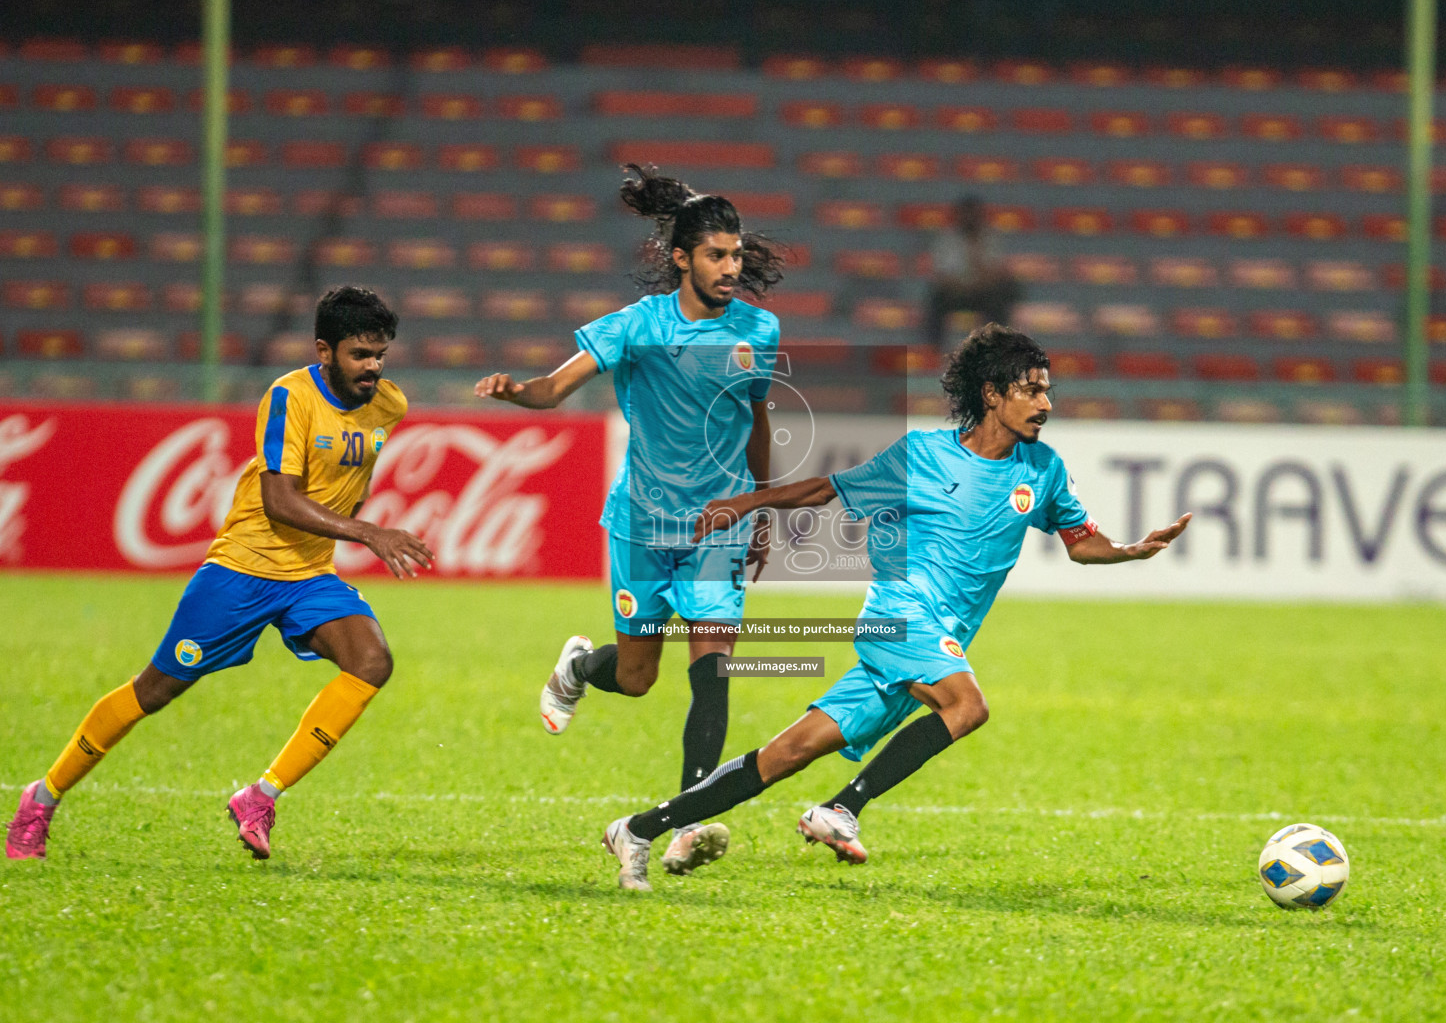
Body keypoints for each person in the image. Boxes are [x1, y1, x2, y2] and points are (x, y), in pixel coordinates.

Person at [598, 323, 1191, 890]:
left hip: (933, 639)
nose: (1045, 403)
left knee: (787, 753)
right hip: (900, 618)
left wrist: (1131, 551)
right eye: (1030, 389)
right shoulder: (923, 457)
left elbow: (1081, 543)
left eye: (1047, 390)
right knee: (967, 706)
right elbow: (829, 488)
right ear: (992, 394)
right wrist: (748, 503)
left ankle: (638, 829)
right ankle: (842, 807)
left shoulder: (1045, 469)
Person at [5, 286, 434, 861]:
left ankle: (260, 796)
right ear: (325, 350)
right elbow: (279, 500)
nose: (374, 366)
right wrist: (369, 533)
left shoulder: (388, 405)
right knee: (155, 690)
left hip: (308, 575)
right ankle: (43, 796)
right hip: (242, 569)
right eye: (361, 354)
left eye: (381, 353)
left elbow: (351, 479)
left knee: (372, 661)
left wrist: (353, 525)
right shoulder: (289, 396)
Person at [474, 164, 787, 876]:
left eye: (737, 254)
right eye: (717, 255)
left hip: (719, 524)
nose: (731, 267)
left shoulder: (758, 330)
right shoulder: (637, 327)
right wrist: (516, 391)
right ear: (682, 258)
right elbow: (556, 389)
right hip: (643, 525)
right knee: (640, 675)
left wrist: (761, 506)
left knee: (713, 670)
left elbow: (757, 417)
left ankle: (688, 818)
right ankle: (581, 666)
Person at [925, 196, 1021, 351]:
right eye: (966, 214)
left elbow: (995, 273)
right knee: (936, 299)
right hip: (956, 292)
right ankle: (932, 350)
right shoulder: (948, 240)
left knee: (1001, 297)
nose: (970, 218)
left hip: (983, 292)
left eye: (974, 214)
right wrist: (962, 286)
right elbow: (942, 276)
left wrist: (976, 252)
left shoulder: (990, 239)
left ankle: (997, 348)